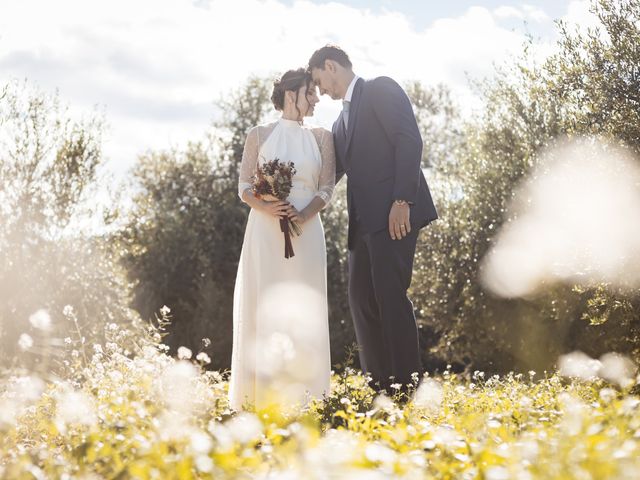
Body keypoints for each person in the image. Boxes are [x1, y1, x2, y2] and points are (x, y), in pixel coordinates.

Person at [308, 45, 438, 393]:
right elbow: (330, 175)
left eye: (320, 82)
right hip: (361, 226)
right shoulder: (339, 123)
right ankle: (380, 387)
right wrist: (291, 199)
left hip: (396, 215)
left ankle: (407, 386)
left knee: (390, 295)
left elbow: (409, 140)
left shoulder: (381, 88)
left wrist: (402, 199)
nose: (322, 92)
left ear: (331, 66)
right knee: (361, 300)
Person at [228, 68, 336, 410]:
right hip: (265, 231)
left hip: (307, 233)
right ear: (291, 95)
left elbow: (327, 189)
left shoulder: (322, 138)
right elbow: (245, 187)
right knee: (264, 303)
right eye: (310, 93)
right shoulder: (258, 135)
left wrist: (302, 216)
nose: (316, 98)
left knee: (306, 306)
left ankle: (307, 398)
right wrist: (269, 207)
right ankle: (260, 396)